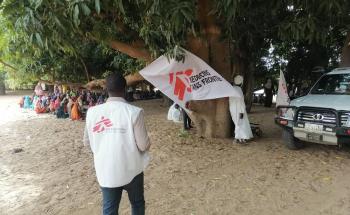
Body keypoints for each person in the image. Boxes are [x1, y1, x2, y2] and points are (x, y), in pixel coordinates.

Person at [84, 73, 151, 215]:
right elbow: (143, 145)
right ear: (125, 89)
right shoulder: (134, 112)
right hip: (132, 169)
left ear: (106, 89)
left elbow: (87, 142)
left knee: (109, 208)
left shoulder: (92, 112)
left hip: (106, 170)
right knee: (137, 203)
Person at [229, 75, 253, 143]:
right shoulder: (239, 89)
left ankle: (239, 137)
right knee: (240, 122)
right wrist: (242, 110)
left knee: (238, 122)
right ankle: (241, 137)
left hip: (234, 108)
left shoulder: (232, 88)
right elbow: (241, 101)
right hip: (239, 109)